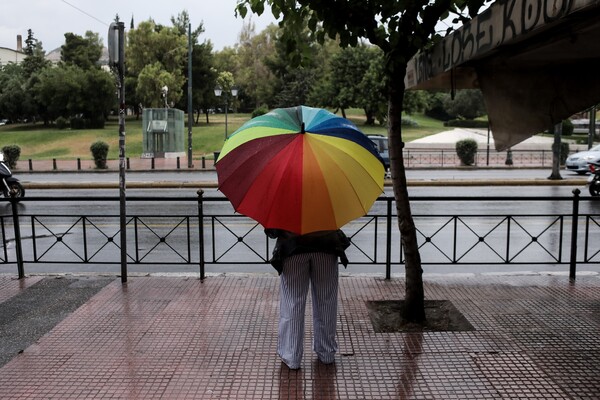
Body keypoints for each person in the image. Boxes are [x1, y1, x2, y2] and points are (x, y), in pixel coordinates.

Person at [265, 228, 350, 370]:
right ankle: (326, 352)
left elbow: (272, 232)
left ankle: (292, 355)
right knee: (326, 300)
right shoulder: (326, 204)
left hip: (293, 248)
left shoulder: (285, 204)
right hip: (326, 246)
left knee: (293, 302)